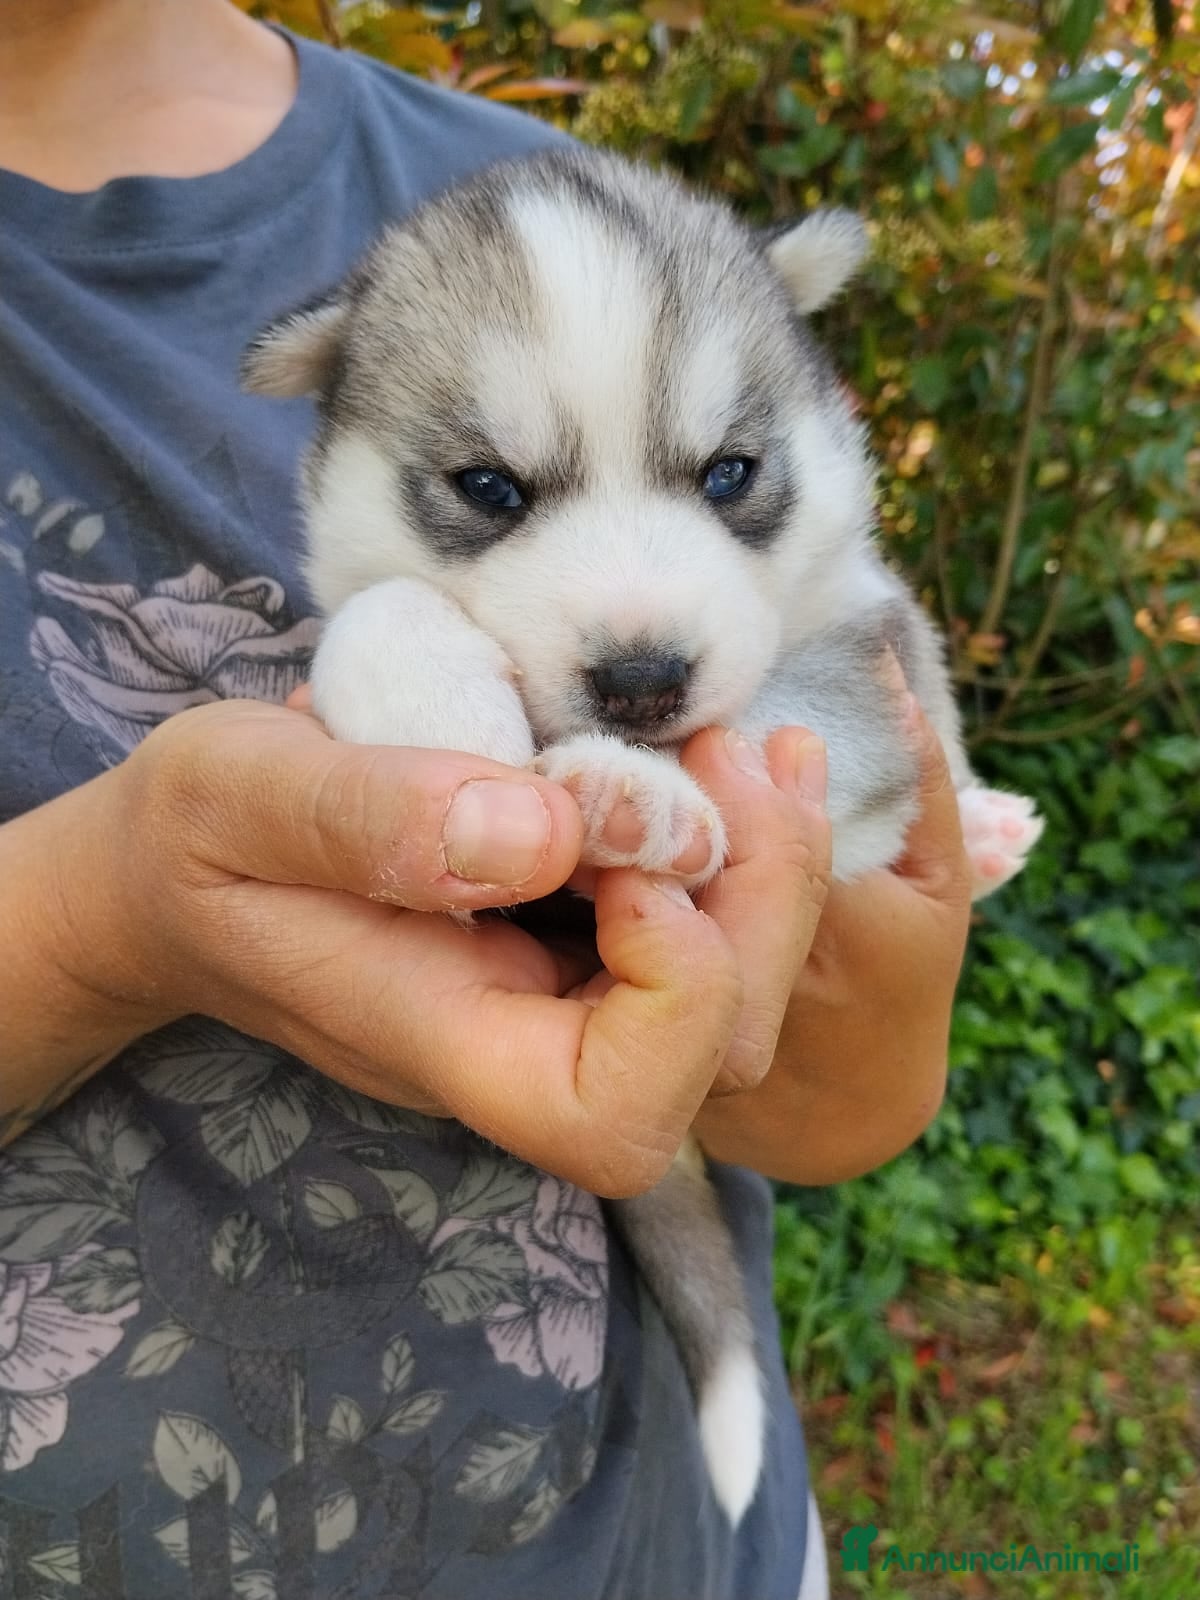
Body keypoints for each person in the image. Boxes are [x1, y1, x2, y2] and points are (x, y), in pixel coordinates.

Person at [0, 3, 973, 1597]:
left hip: (656, 1541)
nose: (640, 626)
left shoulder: (561, 188)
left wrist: (814, 906)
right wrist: (105, 920)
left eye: (721, 478)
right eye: (499, 495)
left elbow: (856, 1093)